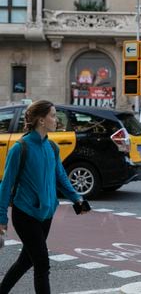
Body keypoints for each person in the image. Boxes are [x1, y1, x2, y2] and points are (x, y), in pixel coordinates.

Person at [0, 100, 89, 294]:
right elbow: (5, 185)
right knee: (42, 264)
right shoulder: (20, 148)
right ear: (41, 120)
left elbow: (60, 176)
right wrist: (2, 218)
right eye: (53, 116)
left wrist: (77, 198)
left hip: (46, 214)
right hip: (25, 214)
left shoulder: (52, 147)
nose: (56, 120)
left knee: (26, 261)